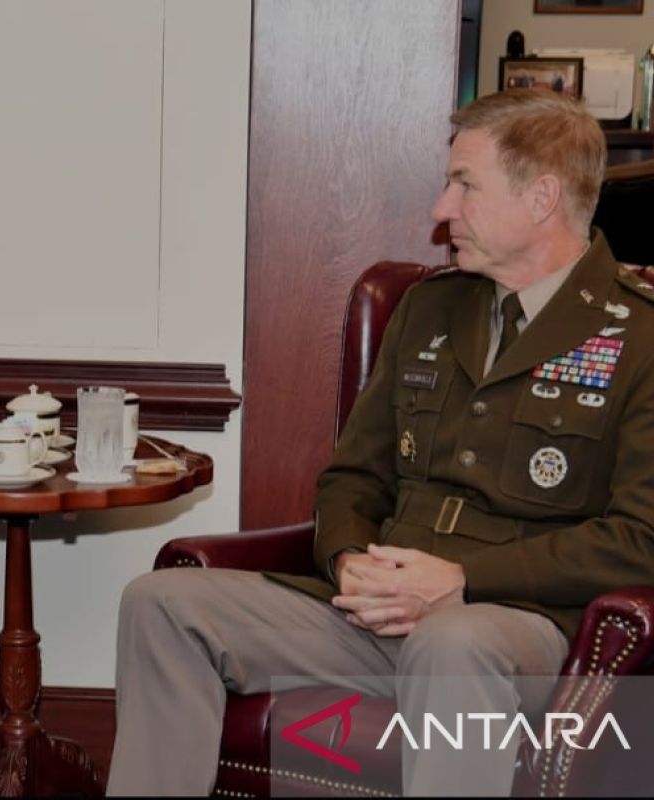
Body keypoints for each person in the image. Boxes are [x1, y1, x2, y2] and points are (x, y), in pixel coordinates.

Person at [107, 88, 654, 796]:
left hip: (515, 629)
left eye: (464, 184)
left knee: (451, 641)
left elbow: (639, 539)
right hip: (373, 617)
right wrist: (349, 561)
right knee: (161, 604)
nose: (440, 209)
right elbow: (352, 479)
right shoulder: (429, 308)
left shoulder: (638, 335)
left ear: (542, 196)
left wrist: (461, 581)